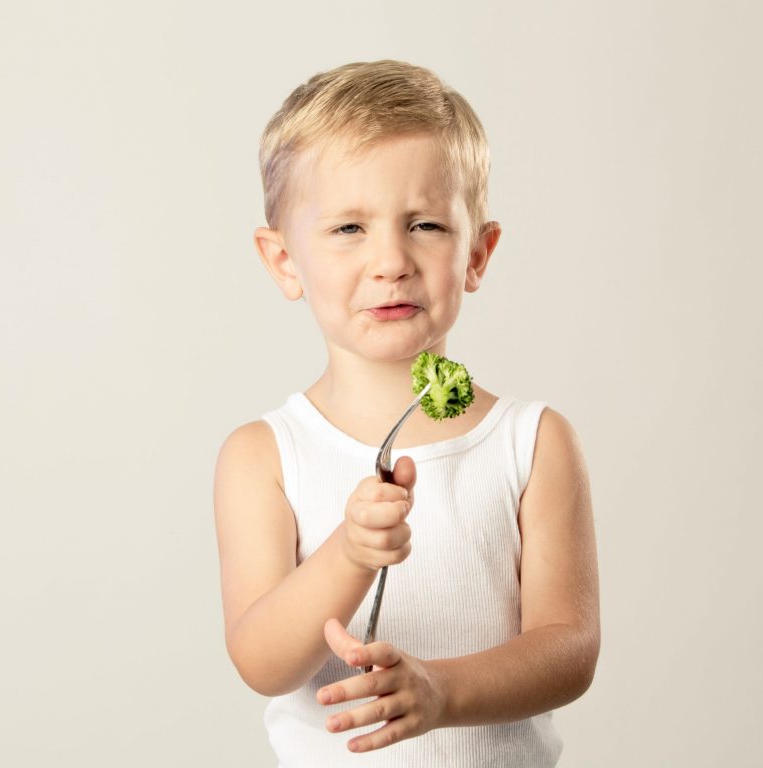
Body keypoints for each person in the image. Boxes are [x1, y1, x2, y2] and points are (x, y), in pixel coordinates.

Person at [213, 60, 600, 766]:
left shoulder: (533, 443)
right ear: (283, 261)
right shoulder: (262, 456)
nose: (390, 260)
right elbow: (262, 663)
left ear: (478, 253)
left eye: (425, 224)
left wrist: (442, 692)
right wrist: (350, 554)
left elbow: (569, 651)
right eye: (349, 229)